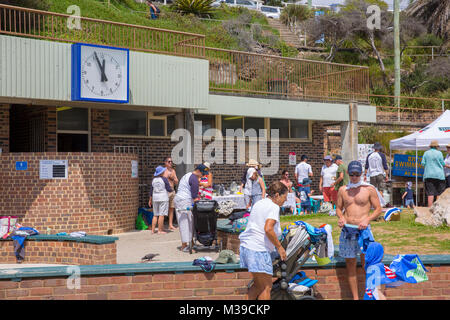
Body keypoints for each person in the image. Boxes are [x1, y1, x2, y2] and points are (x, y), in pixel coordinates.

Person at [336, 160, 382, 300]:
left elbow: (378, 209)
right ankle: (356, 298)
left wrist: (367, 219)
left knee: (367, 263)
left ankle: (371, 295)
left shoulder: (369, 189)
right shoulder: (343, 190)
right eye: (352, 174)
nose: (354, 177)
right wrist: (341, 218)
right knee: (350, 265)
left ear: (361, 173)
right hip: (348, 230)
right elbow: (338, 208)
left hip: (363, 231)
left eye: (357, 174)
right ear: (348, 174)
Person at [239, 181, 288, 300]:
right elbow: (268, 228)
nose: (285, 201)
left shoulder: (259, 203)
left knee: (257, 286)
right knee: (266, 288)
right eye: (284, 197)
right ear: (277, 195)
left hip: (247, 247)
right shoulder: (274, 207)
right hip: (258, 250)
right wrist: (279, 247)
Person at [174, 164, 208, 252]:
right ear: (199, 171)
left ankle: (190, 242)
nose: (203, 176)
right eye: (203, 173)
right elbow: (194, 197)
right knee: (186, 223)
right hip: (184, 201)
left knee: (189, 222)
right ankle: (185, 246)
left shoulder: (188, 175)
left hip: (181, 199)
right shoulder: (194, 179)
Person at [149, 166, 173, 234]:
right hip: (163, 198)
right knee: (161, 215)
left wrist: (150, 200)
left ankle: (153, 230)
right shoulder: (164, 179)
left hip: (155, 198)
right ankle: (160, 230)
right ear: (162, 172)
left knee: (155, 215)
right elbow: (168, 189)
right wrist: (171, 189)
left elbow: (151, 190)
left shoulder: (153, 180)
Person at [421, 140, 446, 207]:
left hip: (428, 175)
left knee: (430, 193)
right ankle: (437, 209)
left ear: (430, 146)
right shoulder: (439, 153)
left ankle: (429, 209)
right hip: (439, 175)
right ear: (437, 146)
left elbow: (423, 163)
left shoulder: (426, 153)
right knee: (439, 193)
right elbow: (443, 163)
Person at [164, 157, 178, 230]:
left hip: (172, 190)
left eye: (171, 162)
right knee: (163, 208)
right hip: (165, 191)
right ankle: (161, 225)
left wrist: (172, 178)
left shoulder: (173, 171)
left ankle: (170, 224)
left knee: (171, 208)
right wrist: (167, 177)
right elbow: (162, 179)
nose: (170, 163)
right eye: (169, 162)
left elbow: (176, 181)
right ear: (165, 163)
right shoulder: (163, 170)